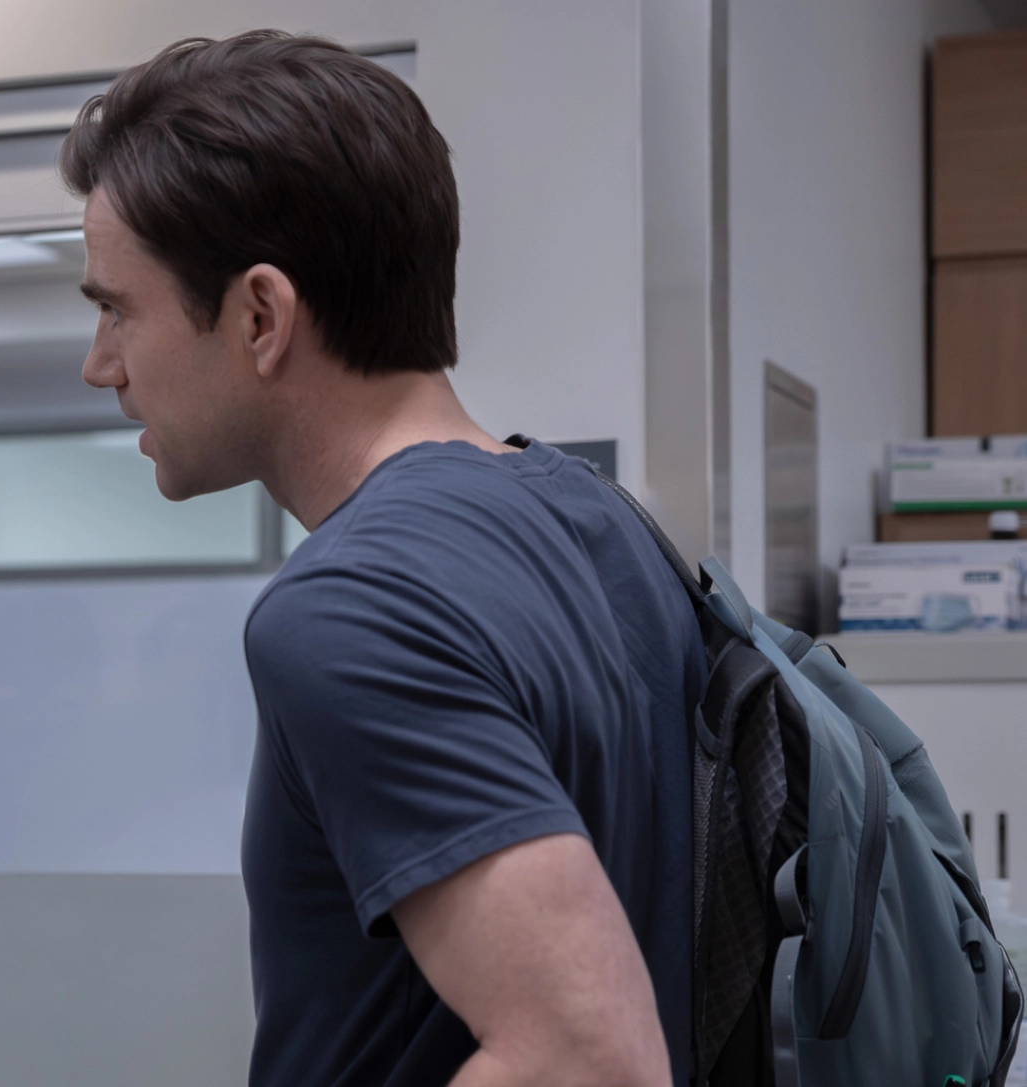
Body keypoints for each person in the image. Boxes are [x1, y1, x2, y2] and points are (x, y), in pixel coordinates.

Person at [64, 32, 699, 1087]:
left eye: (116, 309)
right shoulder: (597, 522)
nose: (100, 366)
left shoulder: (351, 608)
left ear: (259, 316)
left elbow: (587, 1058)